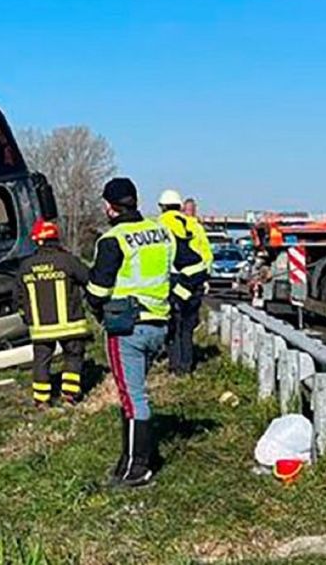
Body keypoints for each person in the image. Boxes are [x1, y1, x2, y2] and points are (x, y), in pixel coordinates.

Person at [86, 177, 176, 487]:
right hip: (158, 325)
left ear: (109, 207)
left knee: (133, 397)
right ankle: (128, 459)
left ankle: (138, 468)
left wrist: (97, 310)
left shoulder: (114, 239)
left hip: (126, 327)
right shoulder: (161, 232)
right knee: (132, 396)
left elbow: (97, 289)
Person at [16, 218, 91, 408]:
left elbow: (17, 297)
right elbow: (88, 279)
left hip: (41, 329)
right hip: (71, 325)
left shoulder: (25, 266)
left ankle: (41, 400)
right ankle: (70, 395)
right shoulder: (67, 260)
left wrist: (27, 318)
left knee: (41, 362)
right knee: (73, 357)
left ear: (37, 240)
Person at [156, 190, 212, 375]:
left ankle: (176, 368)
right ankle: (187, 367)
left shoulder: (160, 224)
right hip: (195, 279)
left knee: (173, 325)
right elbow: (206, 253)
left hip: (175, 279)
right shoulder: (193, 224)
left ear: (162, 207)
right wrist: (204, 278)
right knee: (187, 327)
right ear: (180, 207)